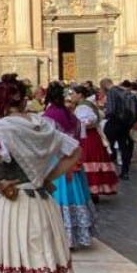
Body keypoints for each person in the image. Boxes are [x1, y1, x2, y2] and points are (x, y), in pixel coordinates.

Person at [0, 78, 81, 273]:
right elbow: (74, 151)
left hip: (12, 204)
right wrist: (48, 177)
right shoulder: (42, 124)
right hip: (41, 203)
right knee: (43, 256)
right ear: (24, 99)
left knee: (11, 254)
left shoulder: (4, 126)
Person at [42, 84, 96, 247]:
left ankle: (60, 237)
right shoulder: (72, 116)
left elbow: (46, 141)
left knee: (58, 196)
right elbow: (81, 136)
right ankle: (77, 235)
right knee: (76, 194)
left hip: (56, 162)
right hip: (73, 161)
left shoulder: (49, 116)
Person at [71, 85, 118, 198]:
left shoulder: (83, 107)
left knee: (88, 161)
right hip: (92, 137)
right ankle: (93, 191)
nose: (71, 96)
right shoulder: (87, 104)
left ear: (80, 94)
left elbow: (88, 122)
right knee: (93, 161)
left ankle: (91, 191)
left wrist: (75, 126)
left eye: (73, 93)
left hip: (87, 137)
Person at [102, 78, 137, 180]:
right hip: (127, 123)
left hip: (114, 122)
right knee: (125, 148)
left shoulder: (112, 92)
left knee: (107, 145)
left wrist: (105, 114)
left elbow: (111, 110)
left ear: (104, 86)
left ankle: (107, 171)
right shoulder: (128, 92)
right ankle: (125, 171)